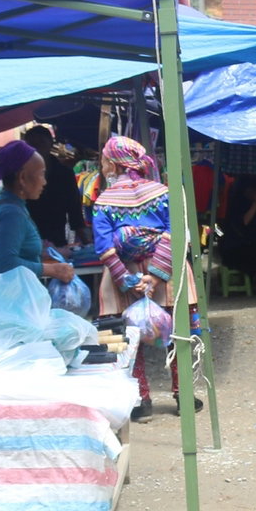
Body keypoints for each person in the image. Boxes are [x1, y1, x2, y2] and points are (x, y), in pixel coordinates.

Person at [90, 135, 173, 420]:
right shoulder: (163, 192)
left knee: (121, 334)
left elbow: (104, 248)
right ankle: (184, 394)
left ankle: (139, 400)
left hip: (121, 272)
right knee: (177, 331)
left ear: (113, 164)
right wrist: (156, 277)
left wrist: (128, 280)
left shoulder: (103, 201)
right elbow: (175, 234)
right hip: (165, 273)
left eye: (103, 160)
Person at [0, 140, 77, 287]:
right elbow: (6, 264)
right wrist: (52, 269)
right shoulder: (11, 214)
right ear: (22, 178)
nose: (44, 182)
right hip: (3, 300)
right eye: (42, 175)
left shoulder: (2, 205)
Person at [21, 125, 88, 250]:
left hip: (57, 237)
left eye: (41, 142)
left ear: (50, 144)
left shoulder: (64, 172)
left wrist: (84, 239)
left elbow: (74, 207)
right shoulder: (22, 173)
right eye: (31, 144)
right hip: (27, 239)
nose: (36, 147)